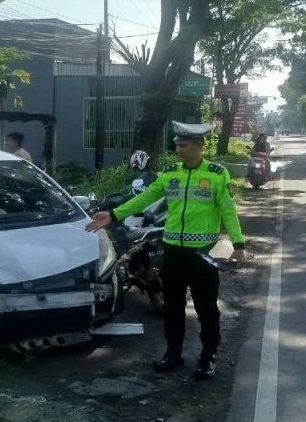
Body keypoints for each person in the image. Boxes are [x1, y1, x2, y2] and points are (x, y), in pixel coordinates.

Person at [86, 121, 245, 380]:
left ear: (198, 146)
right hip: (173, 252)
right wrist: (113, 214)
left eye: (183, 145)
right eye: (176, 146)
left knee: (207, 309)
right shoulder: (170, 173)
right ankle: (174, 353)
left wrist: (238, 245)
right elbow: (145, 198)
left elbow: (228, 210)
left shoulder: (217, 174)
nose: (178, 150)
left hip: (203, 254)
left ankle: (208, 356)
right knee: (172, 307)